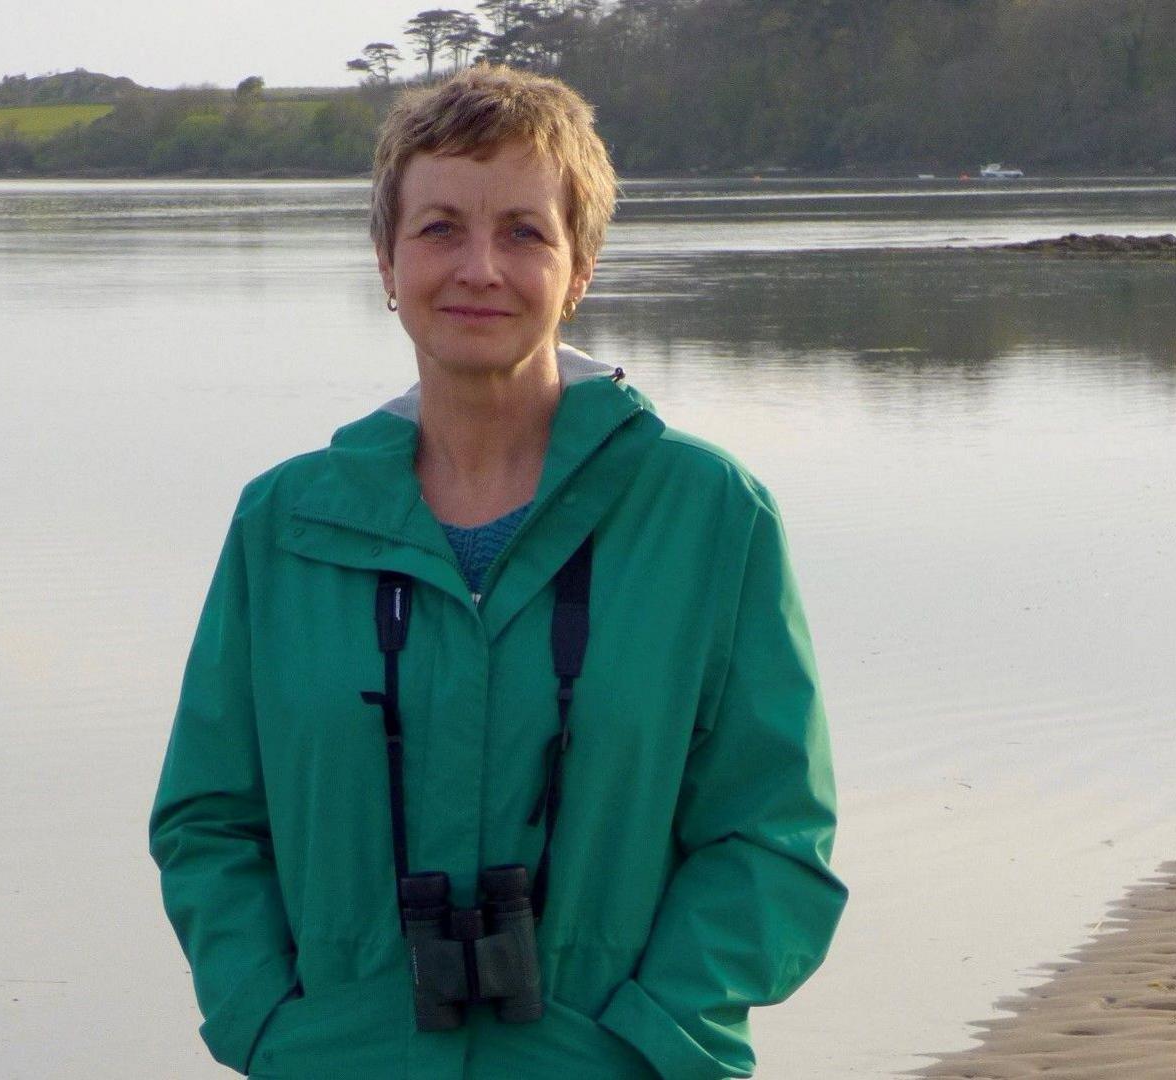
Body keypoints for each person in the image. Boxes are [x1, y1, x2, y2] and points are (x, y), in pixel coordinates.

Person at [149, 64, 847, 1079]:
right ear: (387, 261)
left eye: (523, 231)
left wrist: (655, 1039)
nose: (479, 267)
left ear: (581, 268)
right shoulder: (285, 523)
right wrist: (273, 1028)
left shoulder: (706, 516)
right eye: (440, 229)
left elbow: (772, 839)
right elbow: (209, 821)